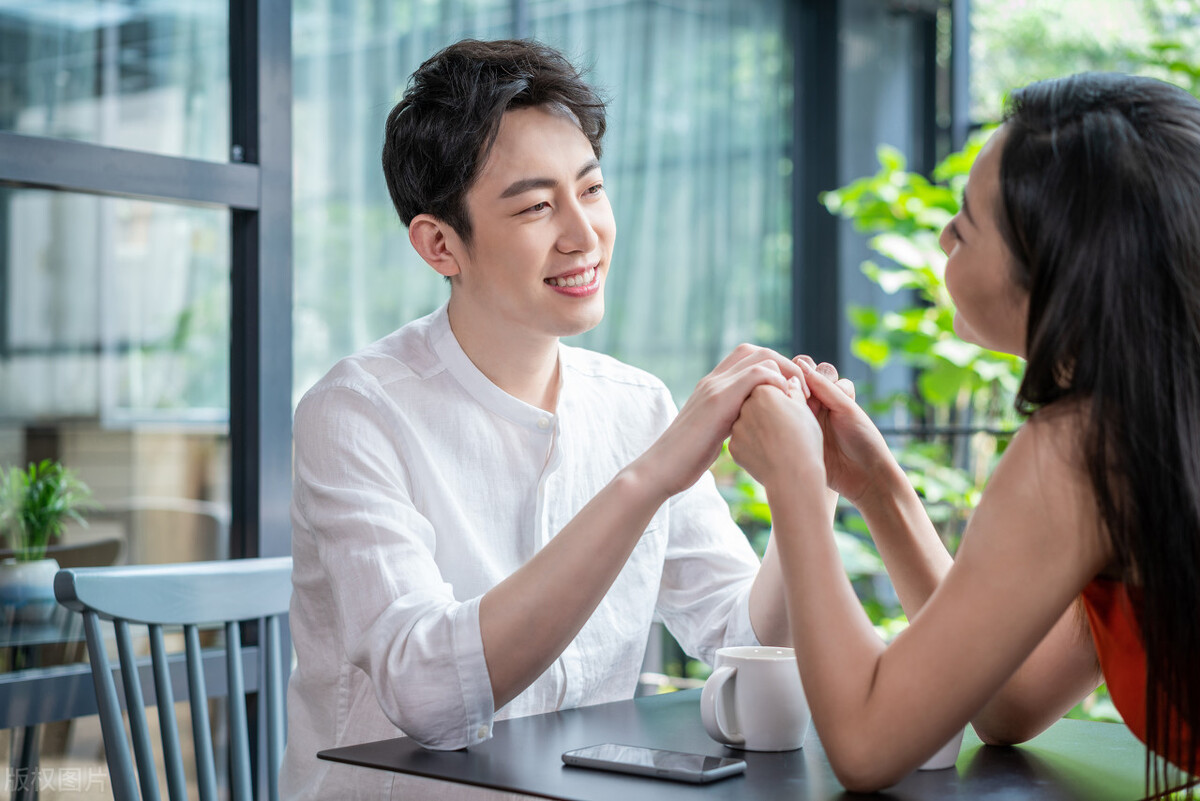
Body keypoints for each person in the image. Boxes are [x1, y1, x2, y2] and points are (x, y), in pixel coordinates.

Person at [281, 39, 813, 800]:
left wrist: (807, 489)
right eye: (535, 206)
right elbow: (429, 695)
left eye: (591, 190)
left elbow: (742, 638)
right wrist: (648, 479)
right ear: (440, 243)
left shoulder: (635, 404)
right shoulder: (356, 411)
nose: (582, 233)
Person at [729, 71, 1200, 795]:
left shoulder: (1083, 449)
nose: (944, 235)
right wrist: (876, 489)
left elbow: (864, 743)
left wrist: (793, 482)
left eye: (966, 224)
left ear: (1053, 278)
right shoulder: (1157, 422)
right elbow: (1011, 699)